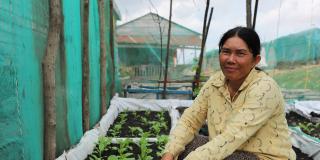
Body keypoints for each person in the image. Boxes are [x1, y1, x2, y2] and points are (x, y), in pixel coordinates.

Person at [161, 26, 296, 160]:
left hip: (262, 157)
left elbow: (232, 136)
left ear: (255, 60)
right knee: (187, 144)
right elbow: (190, 120)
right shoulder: (216, 82)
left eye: (240, 53)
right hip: (231, 151)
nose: (231, 59)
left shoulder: (265, 88)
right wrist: (170, 153)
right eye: (226, 52)